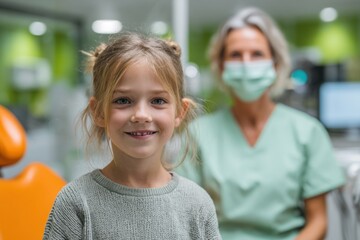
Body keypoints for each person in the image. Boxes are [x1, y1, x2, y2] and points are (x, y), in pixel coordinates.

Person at [176, 7, 345, 240]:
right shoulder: (197, 133)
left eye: (257, 54)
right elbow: (186, 216)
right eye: (236, 55)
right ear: (221, 65)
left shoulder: (307, 132)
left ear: (275, 64)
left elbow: (318, 221)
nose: (246, 63)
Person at [43, 32, 222, 240]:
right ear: (98, 112)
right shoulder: (75, 202)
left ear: (180, 112)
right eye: (123, 101)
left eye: (158, 101)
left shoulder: (197, 203)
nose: (141, 115)